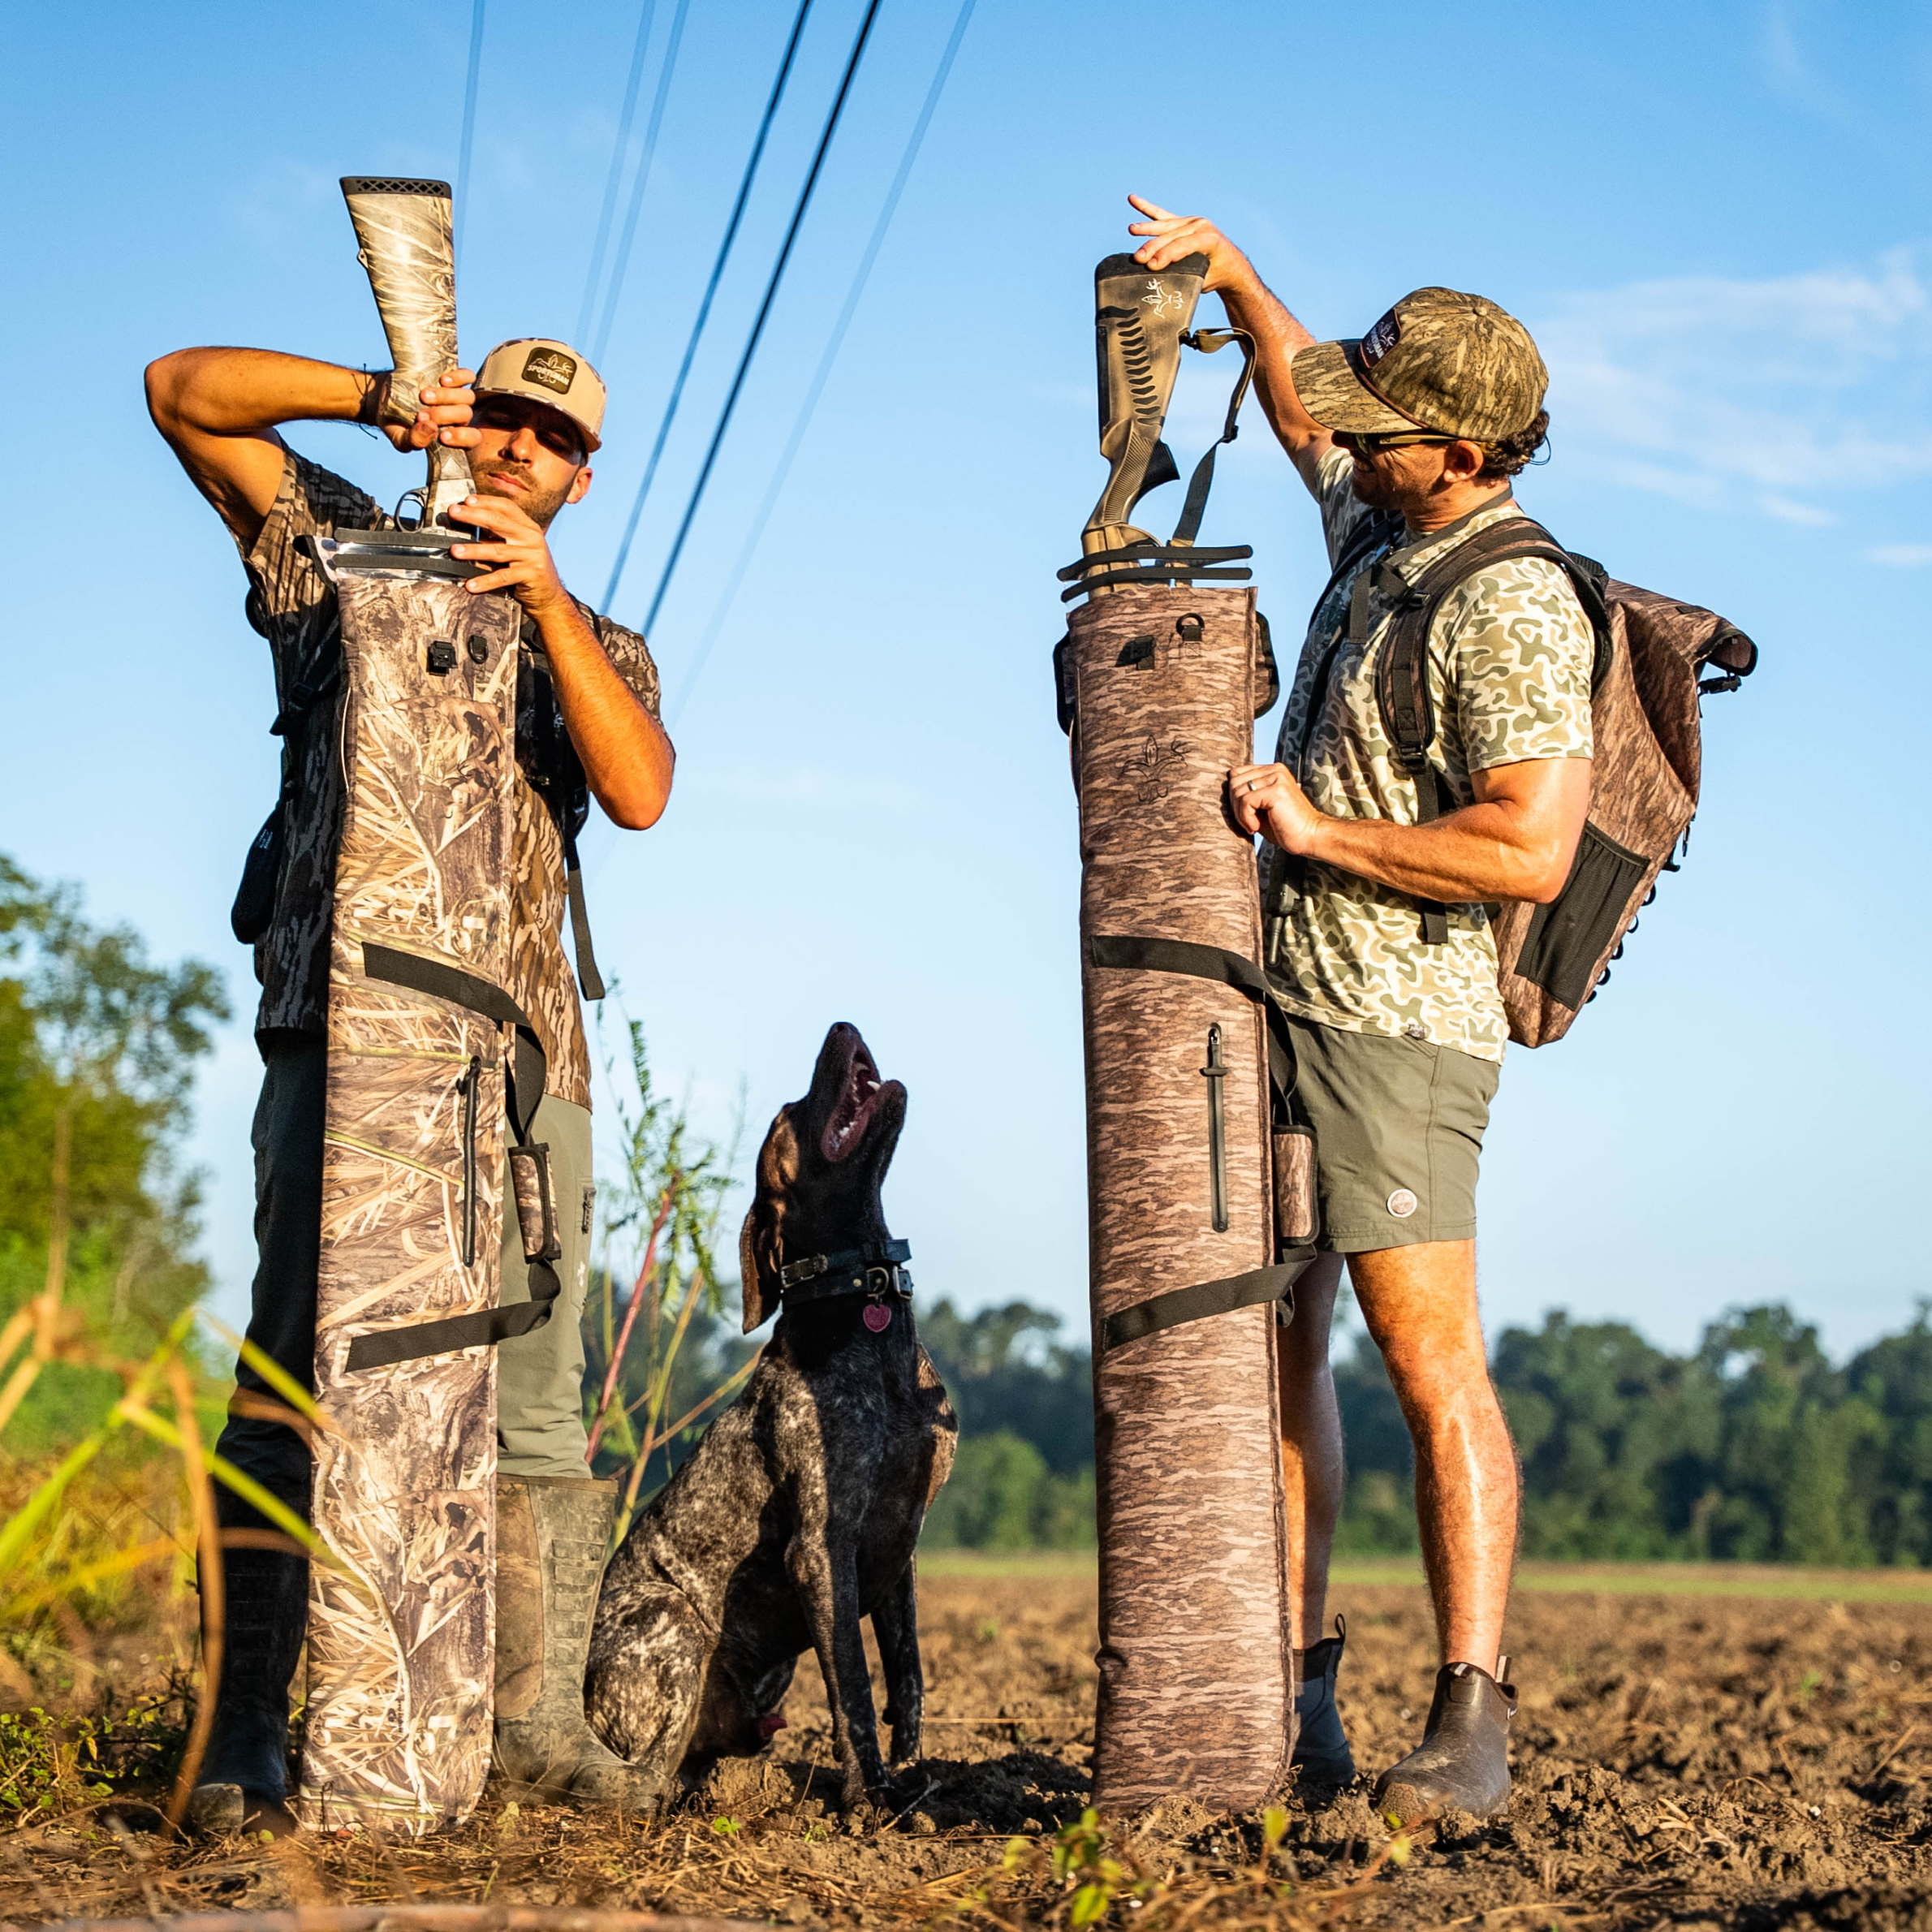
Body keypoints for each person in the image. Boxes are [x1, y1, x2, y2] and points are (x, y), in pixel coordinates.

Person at [144, 338, 675, 1829]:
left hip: (524, 1065)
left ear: (579, 478)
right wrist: (376, 398)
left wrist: (546, 605)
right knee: (289, 1370)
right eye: (497, 415)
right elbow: (178, 390)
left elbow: (638, 791)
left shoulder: (596, 638)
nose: (515, 449)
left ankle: (530, 1735)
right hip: (338, 1029)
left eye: (547, 439)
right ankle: (244, 1732)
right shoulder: (333, 553)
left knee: (530, 1407)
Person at [1127, 197, 1596, 1824]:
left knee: (1423, 1355)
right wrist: (1243, 280)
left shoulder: (1510, 599)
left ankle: (1467, 1716)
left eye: (1387, 426)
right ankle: (1297, 1690)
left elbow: (1525, 840)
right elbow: (1292, 397)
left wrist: (1320, 831)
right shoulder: (1384, 530)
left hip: (1400, 1027)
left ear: (1461, 449)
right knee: (1280, 1347)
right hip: (1280, 1004)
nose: (1352, 438)